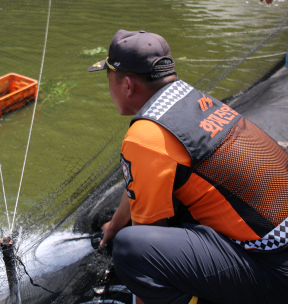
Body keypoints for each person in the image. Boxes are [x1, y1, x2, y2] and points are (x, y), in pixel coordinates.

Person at [88, 29, 288, 304]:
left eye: (108, 78)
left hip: (274, 273)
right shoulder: (193, 100)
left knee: (131, 249)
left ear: (127, 86)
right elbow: (141, 180)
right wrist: (115, 224)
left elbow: (148, 234)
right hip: (277, 244)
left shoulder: (147, 135)